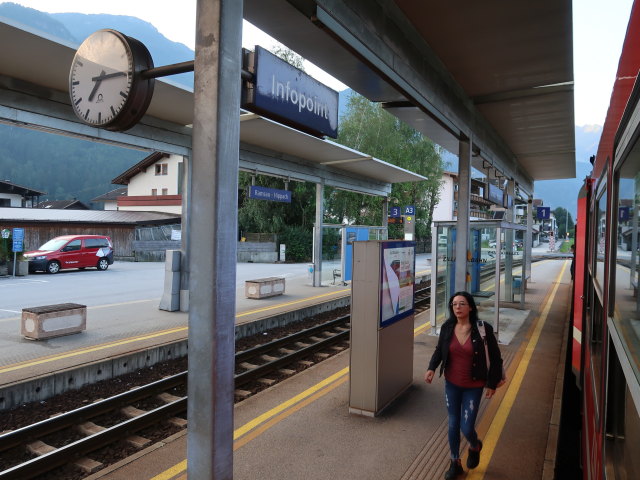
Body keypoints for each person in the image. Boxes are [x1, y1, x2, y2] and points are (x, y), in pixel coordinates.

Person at [424, 291, 503, 479]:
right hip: (452, 383)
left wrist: (491, 384)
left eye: (462, 304)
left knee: (467, 427)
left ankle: (475, 446)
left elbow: (496, 359)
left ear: (471, 307)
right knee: (453, 423)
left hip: (473, 386)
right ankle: (455, 462)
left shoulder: (483, 329)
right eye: (454, 304)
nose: (457, 307)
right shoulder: (447, 327)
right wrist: (431, 368)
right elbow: (439, 350)